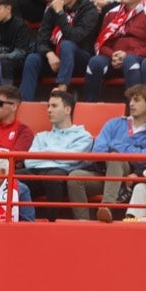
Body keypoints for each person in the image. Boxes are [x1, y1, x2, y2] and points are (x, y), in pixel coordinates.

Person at [67, 83, 146, 220]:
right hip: (105, 173)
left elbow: (145, 158)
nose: (131, 104)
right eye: (131, 100)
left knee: (115, 157)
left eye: (136, 100)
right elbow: (98, 151)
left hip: (129, 179)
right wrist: (132, 150)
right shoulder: (114, 123)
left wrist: (115, 145)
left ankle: (107, 206)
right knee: (74, 177)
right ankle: (83, 222)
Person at [19, 0, 99, 100]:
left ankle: (61, 92)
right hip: (56, 59)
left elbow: (75, 37)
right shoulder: (53, 8)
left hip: (81, 59)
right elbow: (42, 38)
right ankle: (24, 101)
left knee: (67, 45)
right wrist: (49, 54)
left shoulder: (89, 10)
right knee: (32, 59)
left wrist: (60, 13)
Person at [82, 0, 146, 100]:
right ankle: (89, 105)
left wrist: (126, 55)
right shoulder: (111, 13)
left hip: (137, 59)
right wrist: (113, 55)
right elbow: (101, 44)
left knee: (130, 61)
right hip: (113, 59)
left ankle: (135, 107)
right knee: (95, 62)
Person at [20, 89, 94, 218]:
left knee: (54, 177)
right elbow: (29, 161)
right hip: (36, 173)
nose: (49, 110)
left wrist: (45, 153)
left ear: (67, 110)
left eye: (54, 106)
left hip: (62, 176)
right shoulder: (41, 136)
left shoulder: (83, 136)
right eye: (48, 106)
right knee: (12, 176)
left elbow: (71, 159)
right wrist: (58, 156)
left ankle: (51, 222)